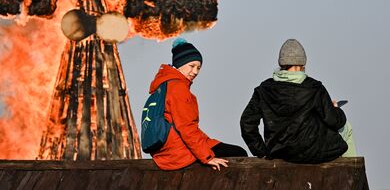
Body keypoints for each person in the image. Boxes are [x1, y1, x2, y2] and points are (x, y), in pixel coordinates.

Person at [240, 39, 357, 163]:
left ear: (281, 64)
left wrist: (262, 152)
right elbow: (334, 121)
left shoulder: (263, 90)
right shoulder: (314, 87)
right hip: (312, 152)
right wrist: (335, 109)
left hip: (278, 152)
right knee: (346, 128)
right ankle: (351, 173)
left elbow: (246, 123)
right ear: (302, 64)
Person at [148, 38, 247, 171]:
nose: (195, 72)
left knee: (226, 149)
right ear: (179, 63)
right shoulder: (178, 89)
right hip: (177, 152)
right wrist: (208, 157)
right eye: (192, 66)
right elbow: (186, 127)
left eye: (198, 68)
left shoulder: (164, 86)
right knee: (239, 154)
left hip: (164, 150)